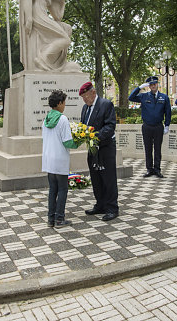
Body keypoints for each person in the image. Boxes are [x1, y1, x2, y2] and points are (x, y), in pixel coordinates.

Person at [79, 82, 118, 221]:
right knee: (96, 177)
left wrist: (95, 136)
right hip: (92, 148)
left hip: (106, 147)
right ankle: (100, 204)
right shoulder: (85, 108)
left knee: (108, 178)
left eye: (86, 96)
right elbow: (83, 125)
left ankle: (112, 208)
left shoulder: (105, 104)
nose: (84, 100)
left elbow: (110, 126)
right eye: (82, 98)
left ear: (93, 93)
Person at [42, 90, 80, 228]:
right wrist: (79, 142)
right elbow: (67, 142)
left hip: (49, 160)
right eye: (64, 103)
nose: (64, 105)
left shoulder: (46, 119)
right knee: (63, 189)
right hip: (60, 160)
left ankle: (51, 219)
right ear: (59, 103)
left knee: (53, 190)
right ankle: (59, 219)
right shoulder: (62, 119)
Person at [129, 76, 171, 178]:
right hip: (147, 126)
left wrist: (167, 125)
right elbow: (131, 97)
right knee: (148, 149)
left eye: (154, 84)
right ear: (149, 86)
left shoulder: (164, 97)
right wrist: (139, 87)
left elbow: (168, 112)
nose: (153, 86)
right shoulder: (144, 96)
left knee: (157, 149)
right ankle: (149, 169)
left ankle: (157, 169)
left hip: (158, 126)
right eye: (151, 85)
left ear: (157, 84)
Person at [19, 0, 80, 72]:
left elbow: (58, 17)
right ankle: (42, 58)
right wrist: (29, 17)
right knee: (65, 40)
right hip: (36, 16)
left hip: (43, 16)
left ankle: (52, 62)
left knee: (67, 28)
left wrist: (62, 2)